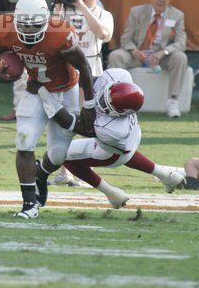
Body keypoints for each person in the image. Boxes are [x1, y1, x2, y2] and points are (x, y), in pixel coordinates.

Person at [0, 0, 95, 219]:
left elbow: (84, 67)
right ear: (16, 21)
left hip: (64, 90)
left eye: (35, 27)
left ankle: (40, 173)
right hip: (35, 89)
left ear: (46, 20)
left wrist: (88, 104)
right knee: (24, 141)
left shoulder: (61, 33)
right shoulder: (5, 26)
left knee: (59, 154)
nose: (30, 32)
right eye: (25, 26)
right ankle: (29, 204)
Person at [30, 68, 187, 208]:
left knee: (64, 155)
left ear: (120, 113)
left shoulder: (111, 129)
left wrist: (45, 94)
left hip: (111, 153)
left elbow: (71, 124)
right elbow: (88, 80)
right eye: (106, 96)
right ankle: (167, 176)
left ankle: (111, 193)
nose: (102, 101)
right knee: (127, 152)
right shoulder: (119, 76)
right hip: (132, 137)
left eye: (107, 105)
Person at [49, 0, 113, 186]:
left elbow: (104, 34)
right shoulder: (65, 12)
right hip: (66, 73)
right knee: (64, 122)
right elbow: (49, 34)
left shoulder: (104, 14)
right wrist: (57, 5)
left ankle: (86, 170)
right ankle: (64, 171)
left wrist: (81, 6)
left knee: (90, 123)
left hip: (91, 72)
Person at [108, 0, 188, 118]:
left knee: (180, 57)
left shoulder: (177, 15)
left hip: (161, 57)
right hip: (138, 54)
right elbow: (125, 38)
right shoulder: (137, 12)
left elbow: (181, 42)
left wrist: (164, 52)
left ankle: (172, 101)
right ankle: (118, 99)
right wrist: (134, 51)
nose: (160, 0)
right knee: (115, 56)